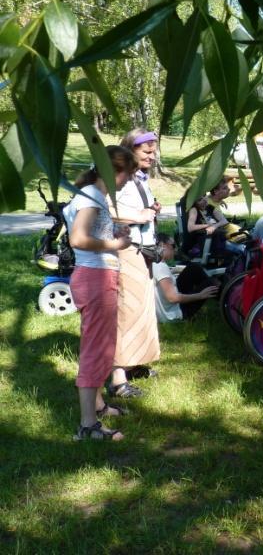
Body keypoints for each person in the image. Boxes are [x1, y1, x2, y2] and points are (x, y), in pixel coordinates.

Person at [64, 146, 137, 441]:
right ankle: (88, 426)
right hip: (96, 277)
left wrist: (111, 231)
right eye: (127, 175)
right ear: (113, 171)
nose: (128, 181)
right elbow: (78, 238)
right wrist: (115, 245)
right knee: (96, 351)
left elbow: (88, 231)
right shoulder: (93, 195)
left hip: (93, 276)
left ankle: (97, 406)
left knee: (99, 346)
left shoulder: (89, 194)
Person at [108, 129, 162, 399]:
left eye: (154, 151)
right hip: (126, 251)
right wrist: (140, 215)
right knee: (126, 311)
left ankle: (134, 363)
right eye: (147, 152)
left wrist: (151, 210)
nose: (153, 156)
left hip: (143, 251)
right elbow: (104, 209)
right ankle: (117, 379)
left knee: (142, 310)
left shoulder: (139, 177)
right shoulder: (117, 177)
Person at [152, 234, 219, 322]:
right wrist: (200, 295)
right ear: (163, 246)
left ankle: (222, 298)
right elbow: (173, 298)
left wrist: (176, 271)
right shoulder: (160, 267)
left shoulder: (154, 263)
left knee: (193, 268)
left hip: (170, 307)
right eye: (173, 246)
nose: (175, 249)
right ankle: (226, 301)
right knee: (211, 283)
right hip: (174, 314)